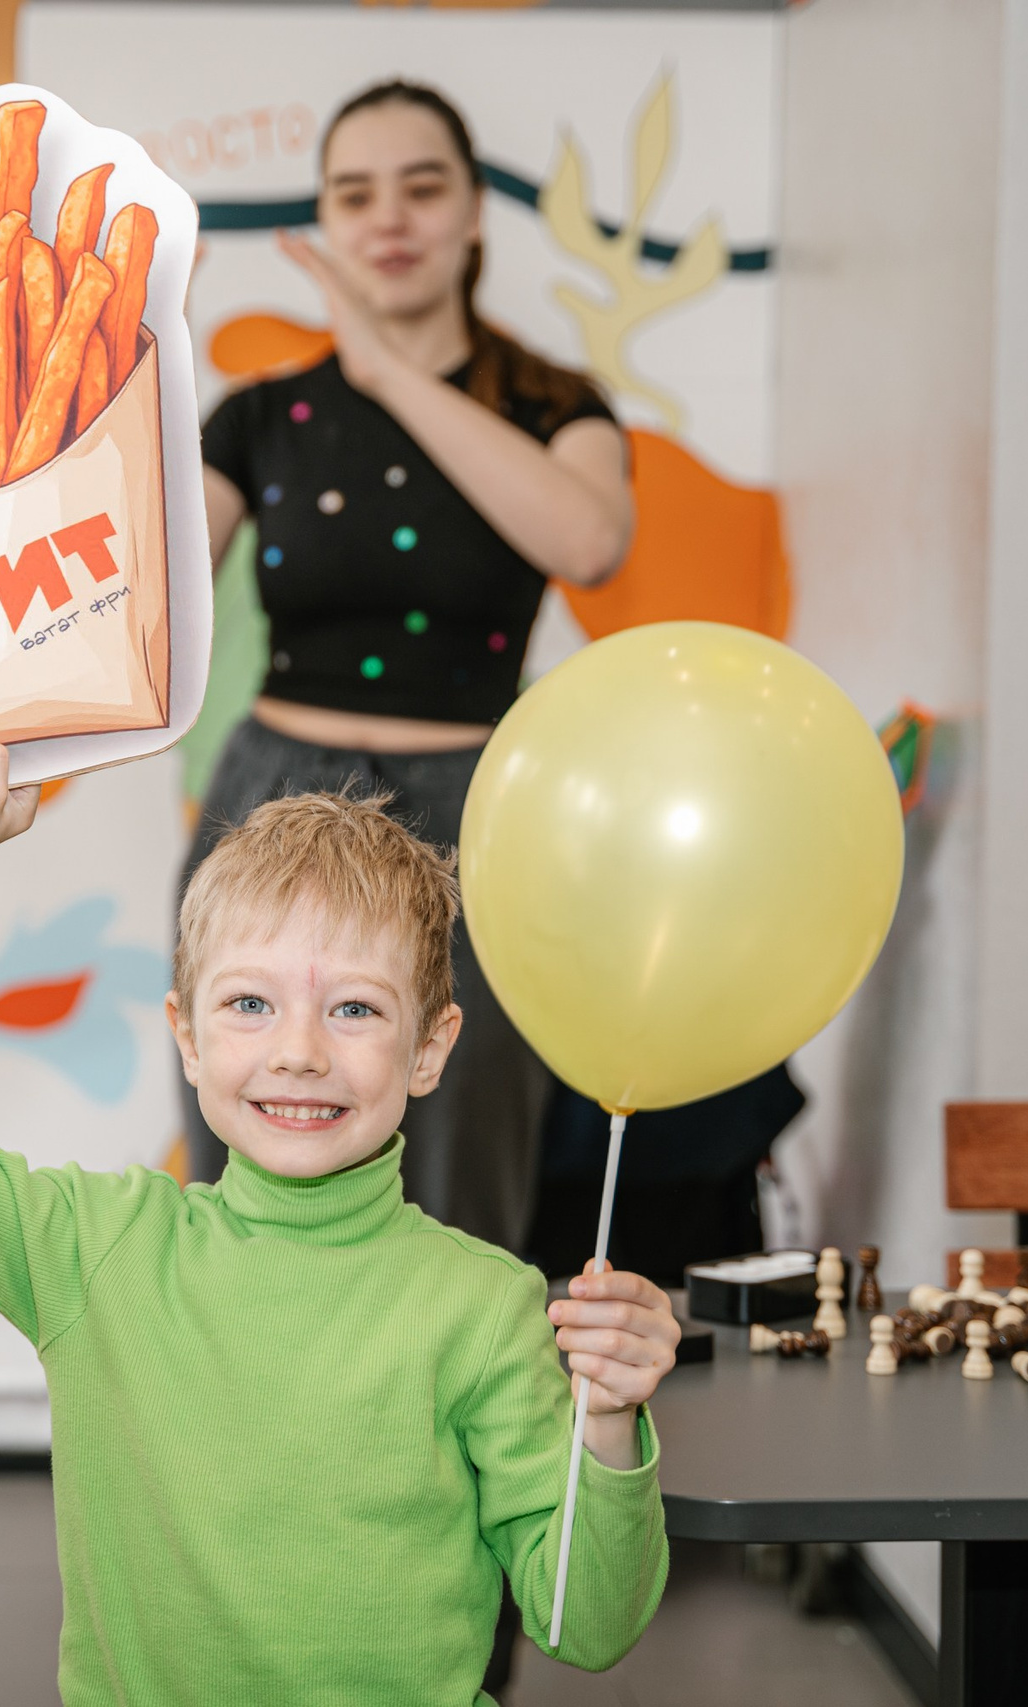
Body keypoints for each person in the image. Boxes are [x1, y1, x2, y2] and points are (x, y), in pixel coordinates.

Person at [0, 736, 675, 1701]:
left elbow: (585, 1624)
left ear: (431, 1049)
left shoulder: (484, 1304)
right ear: (186, 1033)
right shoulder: (97, 1250)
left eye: (355, 1010)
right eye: (250, 1003)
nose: (299, 1051)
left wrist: (607, 1425)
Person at [192, 79, 634, 1255]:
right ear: (325, 221)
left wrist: (389, 373)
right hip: (267, 802)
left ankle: (452, 1430)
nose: (389, 217)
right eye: (354, 192)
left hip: (474, 815)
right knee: (249, 1140)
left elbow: (590, 542)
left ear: (476, 214)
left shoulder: (556, 406)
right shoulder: (259, 417)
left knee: (464, 1148)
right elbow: (145, 585)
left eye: (423, 186)